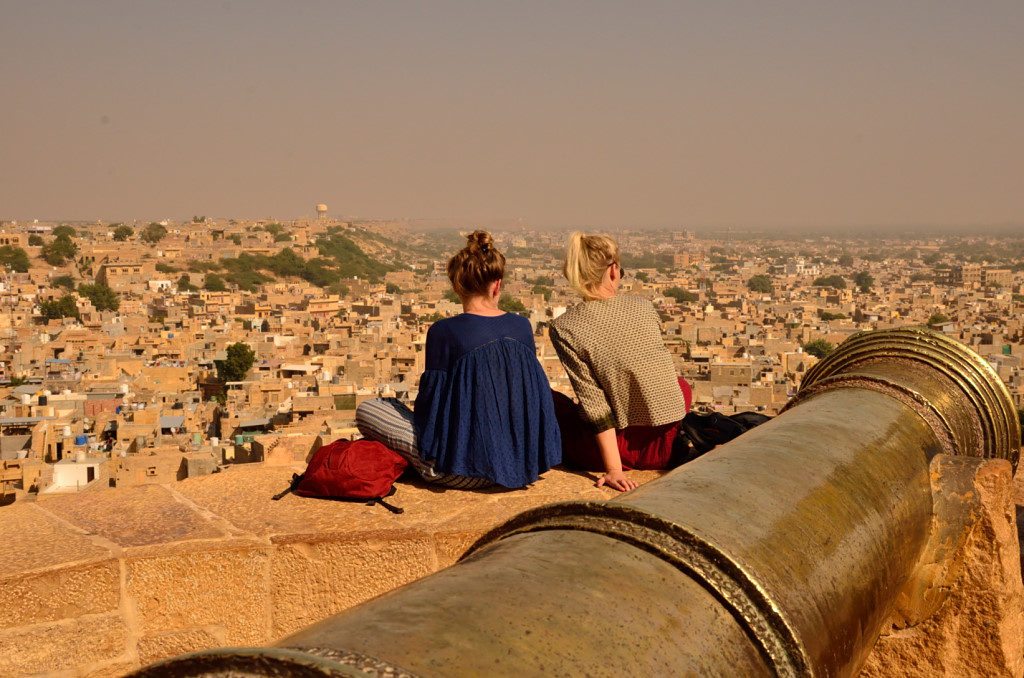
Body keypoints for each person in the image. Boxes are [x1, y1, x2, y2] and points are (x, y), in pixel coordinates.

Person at [356, 230, 562, 489]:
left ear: (456, 286)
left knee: (369, 410)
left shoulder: (444, 331)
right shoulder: (522, 326)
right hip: (525, 466)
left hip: (457, 471)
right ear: (497, 284)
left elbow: (430, 411)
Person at [549, 232, 691, 492]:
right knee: (680, 384)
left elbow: (595, 406)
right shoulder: (643, 306)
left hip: (609, 451)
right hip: (665, 445)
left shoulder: (565, 327)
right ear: (614, 271)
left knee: (551, 401)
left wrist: (614, 470)